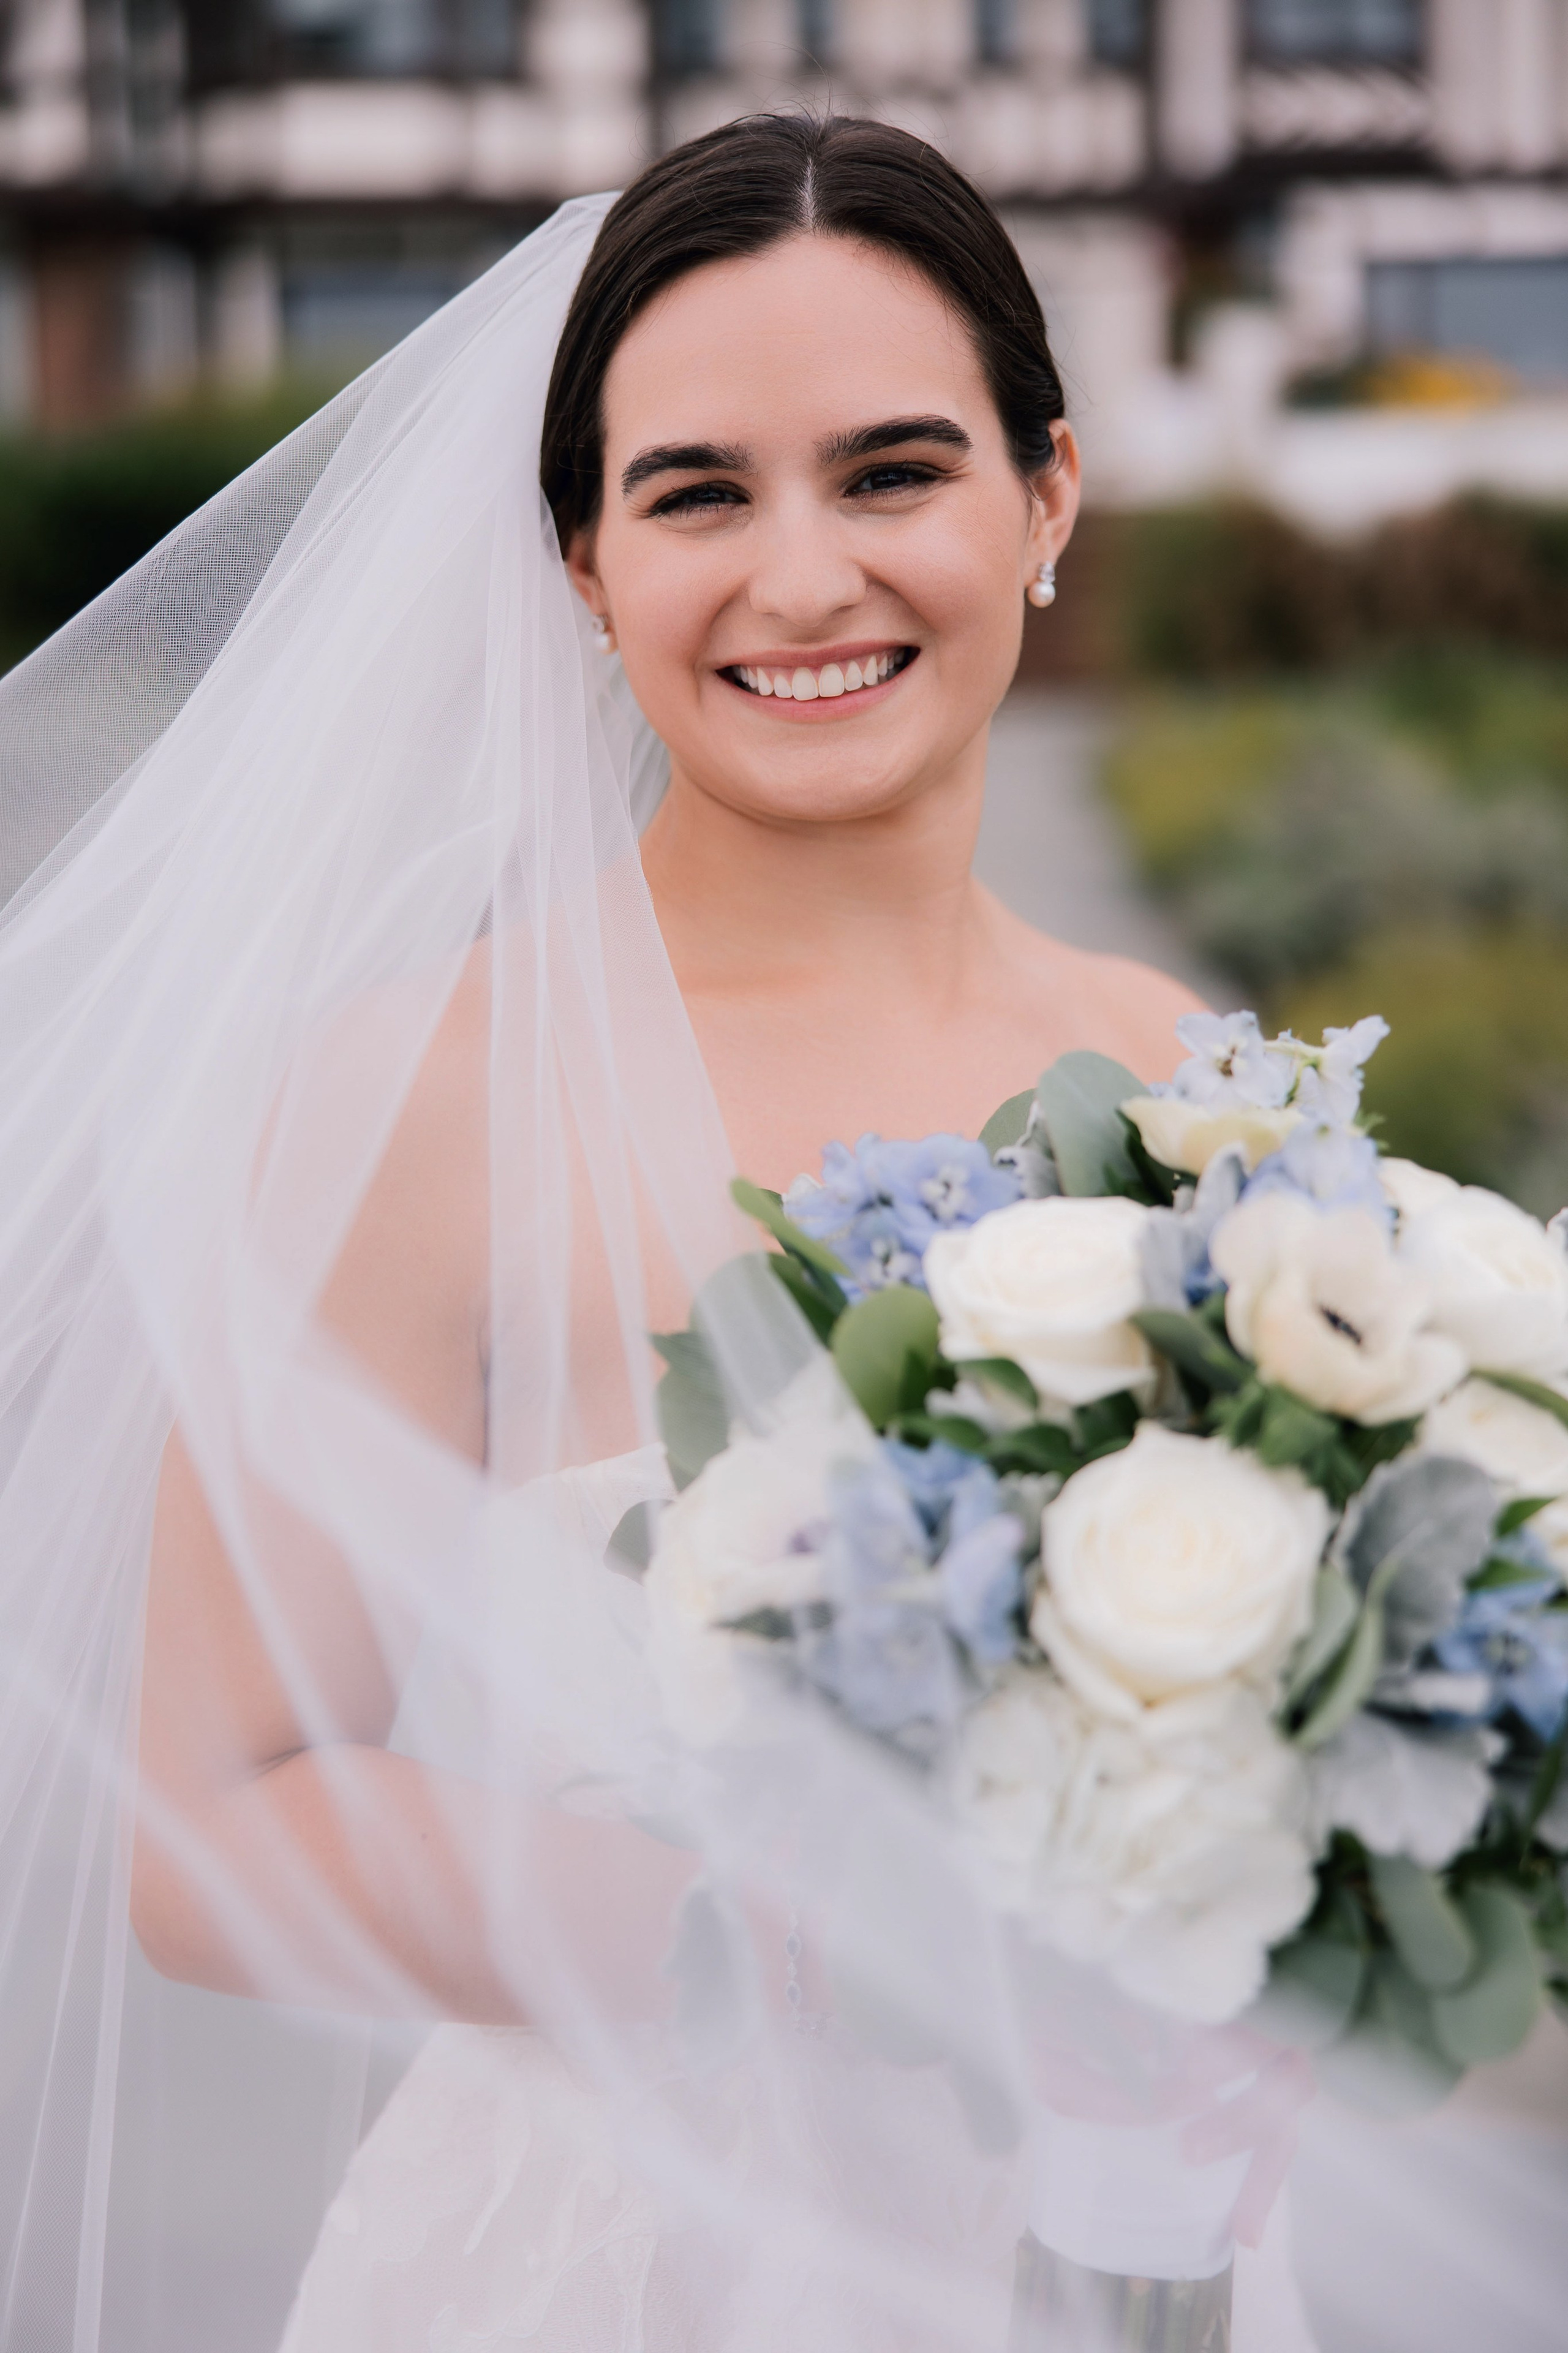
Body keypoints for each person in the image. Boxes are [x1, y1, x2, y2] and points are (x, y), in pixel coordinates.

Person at [2, 113, 1550, 2353]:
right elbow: (212, 1823)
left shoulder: (1190, 1071)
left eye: (894, 472)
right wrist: (809, 1941)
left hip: (1163, 2241)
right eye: (699, 493)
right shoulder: (424, 1088)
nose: (802, 578)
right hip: (627, 2263)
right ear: (582, 564)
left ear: (1047, 498)